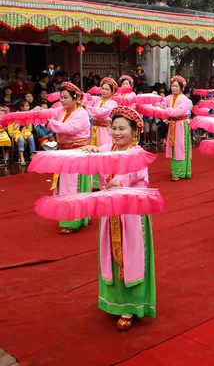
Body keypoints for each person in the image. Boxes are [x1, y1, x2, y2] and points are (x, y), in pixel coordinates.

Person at [83, 106, 156, 331]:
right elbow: (100, 154)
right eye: (113, 127)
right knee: (109, 254)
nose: (116, 132)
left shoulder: (138, 153)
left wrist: (117, 182)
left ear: (134, 131)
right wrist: (92, 150)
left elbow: (131, 174)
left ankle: (130, 306)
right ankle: (113, 301)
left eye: (122, 128)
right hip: (110, 209)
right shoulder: (110, 148)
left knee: (130, 256)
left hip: (131, 214)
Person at [43, 82, 92, 234]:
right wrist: (38, 112)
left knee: (71, 187)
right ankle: (79, 216)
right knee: (64, 185)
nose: (62, 101)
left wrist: (51, 124)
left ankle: (72, 221)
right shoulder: (62, 111)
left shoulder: (81, 113)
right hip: (65, 153)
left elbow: (70, 129)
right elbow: (49, 115)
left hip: (77, 154)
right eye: (61, 98)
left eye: (65, 98)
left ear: (75, 98)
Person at [157, 76, 192, 181]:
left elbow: (178, 112)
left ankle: (181, 172)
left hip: (181, 125)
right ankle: (175, 171)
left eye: (176, 86)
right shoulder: (169, 98)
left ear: (181, 88)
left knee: (180, 147)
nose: (174, 88)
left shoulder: (184, 99)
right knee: (173, 148)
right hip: (172, 125)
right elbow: (160, 103)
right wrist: (156, 99)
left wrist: (166, 109)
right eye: (172, 86)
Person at [7, 99, 36, 165]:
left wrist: (26, 129)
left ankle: (32, 154)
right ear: (21, 107)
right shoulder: (16, 115)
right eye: (26, 106)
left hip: (25, 131)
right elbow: (12, 126)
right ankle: (21, 157)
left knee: (31, 137)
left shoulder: (29, 115)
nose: (28, 107)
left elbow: (30, 127)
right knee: (21, 138)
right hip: (17, 131)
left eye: (28, 106)